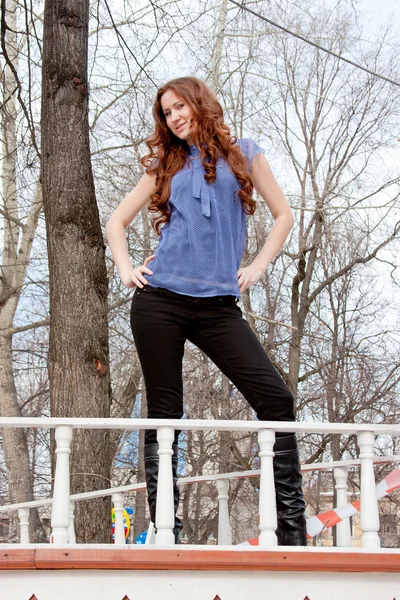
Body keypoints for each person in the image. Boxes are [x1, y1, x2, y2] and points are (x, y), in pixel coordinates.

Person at [106, 76, 307, 546]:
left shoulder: (245, 153)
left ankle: (293, 531)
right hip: (160, 301)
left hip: (218, 307)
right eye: (166, 112)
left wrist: (257, 266)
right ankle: (164, 527)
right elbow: (116, 221)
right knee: (165, 412)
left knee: (276, 399)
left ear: (199, 104)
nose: (174, 117)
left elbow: (284, 215)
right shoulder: (165, 165)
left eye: (179, 107)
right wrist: (126, 269)